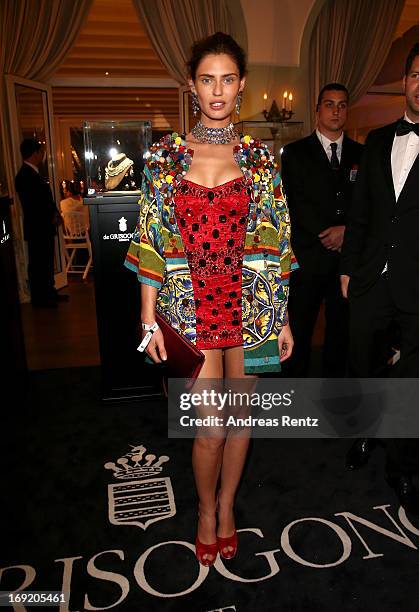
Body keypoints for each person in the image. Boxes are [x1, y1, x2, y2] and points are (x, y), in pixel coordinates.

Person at [124, 32, 297, 565]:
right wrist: (148, 320)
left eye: (227, 79)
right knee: (210, 430)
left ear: (241, 86)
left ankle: (227, 507)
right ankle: (203, 510)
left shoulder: (261, 160)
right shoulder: (165, 156)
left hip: (251, 310)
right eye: (206, 79)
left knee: (241, 423)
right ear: (192, 87)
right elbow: (151, 238)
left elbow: (277, 237)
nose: (217, 91)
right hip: (188, 309)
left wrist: (284, 318)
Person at [340, 43, 419, 513]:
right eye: (414, 74)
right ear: (405, 81)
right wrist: (349, 267)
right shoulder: (376, 139)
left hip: (417, 287)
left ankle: (403, 466)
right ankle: (366, 432)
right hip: (370, 277)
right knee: (362, 361)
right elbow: (362, 212)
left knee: (410, 378)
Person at [281, 84, 363, 377]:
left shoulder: (362, 154)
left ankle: (334, 396)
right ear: (317, 110)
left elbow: (367, 203)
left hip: (347, 260)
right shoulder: (294, 153)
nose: (336, 111)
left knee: (341, 334)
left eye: (342, 105)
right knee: (299, 333)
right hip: (307, 259)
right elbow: (293, 203)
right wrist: (326, 233)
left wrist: (346, 232)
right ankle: (295, 394)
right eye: (329, 104)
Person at [15, 139, 68, 308]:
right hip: (37, 227)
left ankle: (49, 292)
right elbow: (33, 204)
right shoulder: (24, 176)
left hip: (43, 226)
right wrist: (50, 216)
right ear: (34, 153)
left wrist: (55, 214)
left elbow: (45, 200)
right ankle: (41, 298)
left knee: (46, 261)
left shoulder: (34, 174)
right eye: (41, 151)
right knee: (38, 263)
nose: (43, 155)